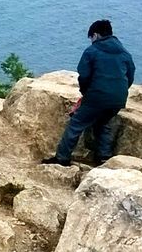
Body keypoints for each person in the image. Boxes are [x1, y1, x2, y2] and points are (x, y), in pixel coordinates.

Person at [42, 19, 136, 166]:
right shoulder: (124, 53)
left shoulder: (92, 51)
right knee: (103, 123)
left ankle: (62, 158)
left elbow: (84, 75)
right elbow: (130, 77)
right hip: (118, 99)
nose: (91, 40)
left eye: (91, 37)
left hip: (97, 96)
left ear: (96, 35)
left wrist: (86, 93)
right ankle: (104, 159)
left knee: (76, 124)